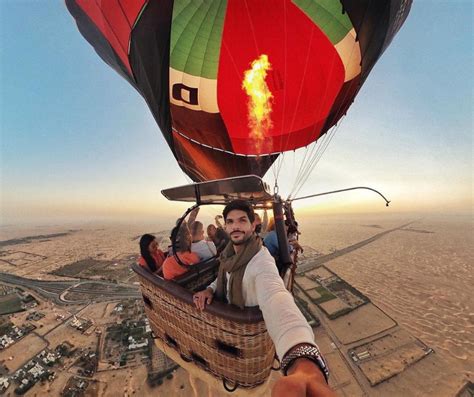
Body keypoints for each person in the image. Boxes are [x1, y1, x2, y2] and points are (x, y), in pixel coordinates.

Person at [193, 200, 334, 397]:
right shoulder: (228, 256)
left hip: (243, 346)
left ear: (253, 225)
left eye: (242, 220)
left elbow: (276, 296)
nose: (235, 226)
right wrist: (209, 289)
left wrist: (303, 360)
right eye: (230, 221)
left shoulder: (261, 261)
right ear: (225, 226)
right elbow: (224, 278)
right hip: (225, 336)